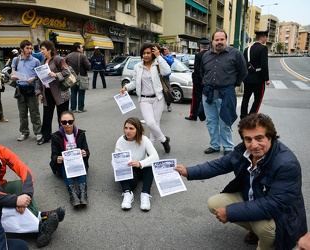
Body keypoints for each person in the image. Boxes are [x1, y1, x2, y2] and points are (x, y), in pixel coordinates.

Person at [174, 113, 307, 250]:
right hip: (255, 197)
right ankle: (256, 231)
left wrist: (230, 212)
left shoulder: (286, 164)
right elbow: (220, 165)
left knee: (264, 228)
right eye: (248, 139)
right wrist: (188, 171)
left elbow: (274, 204)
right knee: (214, 203)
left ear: (270, 136)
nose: (253, 145)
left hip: (282, 216)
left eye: (259, 138)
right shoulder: (244, 150)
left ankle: (268, 241)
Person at [200, 29, 248, 155]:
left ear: (226, 40)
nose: (219, 42)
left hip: (226, 92)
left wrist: (233, 84)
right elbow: (202, 72)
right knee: (211, 121)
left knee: (225, 121)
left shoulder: (235, 54)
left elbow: (243, 72)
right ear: (212, 41)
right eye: (217, 40)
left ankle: (227, 147)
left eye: (222, 39)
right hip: (208, 93)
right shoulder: (206, 55)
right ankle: (214, 145)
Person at [120, 43, 171, 153]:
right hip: (144, 99)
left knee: (155, 123)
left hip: (158, 98)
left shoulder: (157, 63)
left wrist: (159, 56)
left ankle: (150, 147)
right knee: (150, 123)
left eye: (148, 53)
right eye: (144, 53)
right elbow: (134, 82)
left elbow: (167, 71)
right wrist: (126, 87)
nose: (146, 55)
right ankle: (164, 140)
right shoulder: (138, 66)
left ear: (153, 53)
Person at [113, 117, 159, 211]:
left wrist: (140, 163)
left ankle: (145, 194)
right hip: (129, 171)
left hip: (141, 168)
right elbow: (115, 160)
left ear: (137, 129)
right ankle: (127, 193)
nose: (127, 131)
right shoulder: (120, 141)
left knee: (150, 166)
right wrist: (119, 166)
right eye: (126, 128)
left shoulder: (144, 139)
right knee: (121, 169)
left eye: (131, 128)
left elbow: (155, 157)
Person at [50, 111, 90, 207]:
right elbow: (53, 155)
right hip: (64, 165)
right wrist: (57, 159)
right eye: (64, 122)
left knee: (82, 164)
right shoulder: (55, 136)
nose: (67, 124)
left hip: (77, 163)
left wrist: (85, 153)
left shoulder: (81, 133)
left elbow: (87, 151)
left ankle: (83, 193)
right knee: (65, 167)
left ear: (74, 121)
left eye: (70, 122)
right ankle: (73, 194)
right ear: (60, 122)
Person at [36, 40, 71, 145]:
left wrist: (56, 75)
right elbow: (39, 80)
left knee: (62, 116)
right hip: (47, 93)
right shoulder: (42, 63)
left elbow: (67, 72)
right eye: (41, 49)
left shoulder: (58, 59)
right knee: (47, 116)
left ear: (49, 50)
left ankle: (63, 137)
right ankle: (46, 136)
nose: (41, 51)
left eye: (43, 49)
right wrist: (39, 92)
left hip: (60, 92)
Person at [10, 40, 42, 142]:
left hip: (32, 89)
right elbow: (12, 73)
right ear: (21, 50)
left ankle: (38, 132)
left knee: (34, 112)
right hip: (20, 89)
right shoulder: (16, 60)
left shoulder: (35, 61)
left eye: (30, 48)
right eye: (27, 48)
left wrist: (34, 78)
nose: (29, 50)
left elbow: (40, 75)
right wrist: (13, 77)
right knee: (22, 113)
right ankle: (24, 132)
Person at [240, 30, 270, 119]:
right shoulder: (263, 48)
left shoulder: (247, 49)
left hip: (248, 78)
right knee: (258, 99)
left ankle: (243, 116)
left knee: (245, 98)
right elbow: (264, 65)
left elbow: (243, 64)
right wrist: (266, 78)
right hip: (258, 78)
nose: (266, 39)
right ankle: (251, 117)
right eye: (265, 37)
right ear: (262, 37)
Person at [184, 38, 210, 121]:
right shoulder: (211, 55)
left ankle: (194, 115)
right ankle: (204, 115)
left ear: (200, 46)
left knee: (196, 98)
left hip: (198, 81)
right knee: (205, 98)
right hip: (207, 81)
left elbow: (197, 69)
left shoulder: (198, 55)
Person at [65, 42, 91, 113]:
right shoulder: (82, 56)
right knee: (81, 92)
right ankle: (80, 108)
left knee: (73, 92)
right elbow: (88, 66)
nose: (82, 48)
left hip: (71, 76)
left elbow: (64, 66)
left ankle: (73, 108)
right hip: (81, 76)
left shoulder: (68, 56)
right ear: (78, 48)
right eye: (81, 47)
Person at [160, 44, 174, 112]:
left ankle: (168, 105)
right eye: (163, 49)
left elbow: (171, 62)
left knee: (167, 91)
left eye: (165, 49)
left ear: (168, 50)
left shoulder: (170, 57)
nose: (164, 51)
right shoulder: (159, 56)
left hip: (166, 77)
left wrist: (162, 57)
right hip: (159, 76)